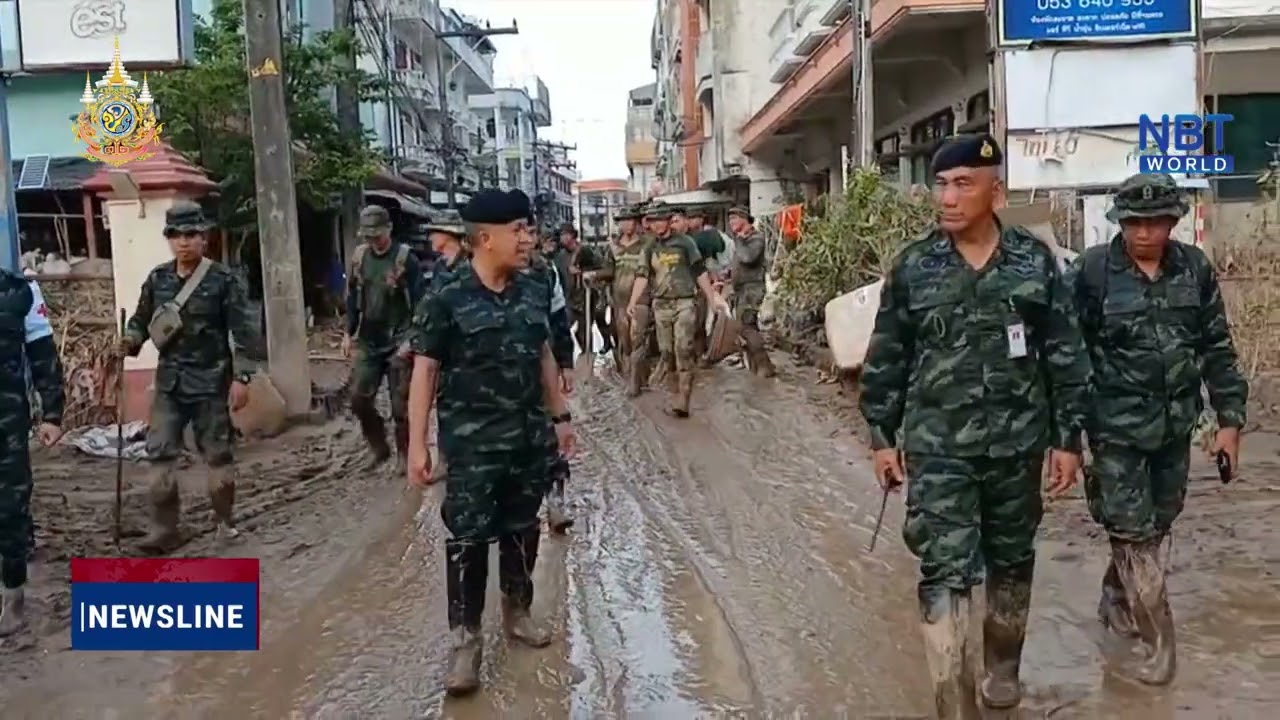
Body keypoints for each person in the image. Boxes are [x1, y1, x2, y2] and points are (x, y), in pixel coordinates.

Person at [858, 134, 1090, 717]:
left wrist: (1068, 440)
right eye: (941, 184)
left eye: (963, 184)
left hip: (1017, 446)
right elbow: (887, 357)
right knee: (944, 567)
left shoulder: (1033, 262)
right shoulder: (915, 266)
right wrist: (882, 437)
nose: (948, 197)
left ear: (996, 191)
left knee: (1012, 559)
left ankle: (1002, 670)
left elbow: (1063, 353)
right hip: (938, 450)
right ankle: (951, 699)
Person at [1075, 173, 1248, 686]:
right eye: (1135, 223)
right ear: (1120, 223)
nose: (1146, 233)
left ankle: (1116, 597)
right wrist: (1064, 434)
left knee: (1159, 520)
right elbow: (1067, 353)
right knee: (1132, 532)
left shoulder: (1193, 269)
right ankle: (1159, 645)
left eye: (1156, 222)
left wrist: (1229, 422)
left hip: (1174, 426)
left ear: (1174, 221)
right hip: (1115, 430)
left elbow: (1216, 346)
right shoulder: (1093, 273)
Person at [405, 188, 576, 696]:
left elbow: (543, 351)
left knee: (523, 529)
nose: (528, 238)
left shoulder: (535, 286)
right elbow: (425, 370)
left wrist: (560, 416)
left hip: (527, 438)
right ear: (484, 238)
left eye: (528, 228)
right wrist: (419, 443)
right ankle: (466, 641)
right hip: (472, 445)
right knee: (468, 540)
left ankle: (517, 612)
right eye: (518, 230)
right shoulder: (445, 296)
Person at [120, 201, 264, 553]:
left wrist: (242, 379)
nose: (183, 242)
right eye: (175, 235)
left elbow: (245, 334)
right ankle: (164, 530)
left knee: (217, 457)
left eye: (190, 235)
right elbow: (140, 320)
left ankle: (224, 524)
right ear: (168, 239)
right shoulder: (158, 278)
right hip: (170, 382)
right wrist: (129, 341)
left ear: (204, 237)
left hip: (212, 384)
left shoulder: (224, 281)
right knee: (159, 456)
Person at [0, 273, 64, 635]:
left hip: (5, 423)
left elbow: (43, 355)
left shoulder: (20, 291)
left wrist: (52, 413)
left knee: (10, 510)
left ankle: (13, 600)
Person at [626, 202, 729, 417]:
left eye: (661, 220)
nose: (657, 225)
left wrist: (711, 299)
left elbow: (700, 272)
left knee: (683, 349)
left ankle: (683, 398)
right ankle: (672, 394)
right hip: (661, 304)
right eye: (653, 221)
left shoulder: (685, 243)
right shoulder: (650, 248)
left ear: (669, 220)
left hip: (684, 302)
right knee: (666, 352)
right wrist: (633, 302)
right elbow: (642, 275)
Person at [343, 205, 423, 469]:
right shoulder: (359, 258)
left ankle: (404, 454)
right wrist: (347, 333)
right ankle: (379, 446)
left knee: (400, 405)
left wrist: (411, 339)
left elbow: (421, 305)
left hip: (398, 338)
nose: (372, 241)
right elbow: (354, 298)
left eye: (376, 235)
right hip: (369, 337)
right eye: (367, 236)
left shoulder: (405, 259)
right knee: (358, 397)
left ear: (388, 229)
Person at [586, 204, 653, 395]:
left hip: (641, 298)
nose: (627, 225)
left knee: (638, 337)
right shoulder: (613, 247)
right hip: (619, 301)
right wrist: (594, 276)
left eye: (630, 220)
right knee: (625, 341)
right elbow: (609, 271)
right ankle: (635, 375)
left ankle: (635, 383)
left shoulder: (648, 244)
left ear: (637, 222)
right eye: (623, 221)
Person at [726, 206, 776, 377]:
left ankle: (764, 366)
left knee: (747, 327)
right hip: (741, 291)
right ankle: (758, 367)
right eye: (730, 219)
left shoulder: (755, 239)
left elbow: (748, 258)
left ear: (745, 219)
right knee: (747, 329)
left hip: (752, 290)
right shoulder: (742, 240)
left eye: (735, 218)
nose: (731, 222)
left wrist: (739, 241)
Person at [685, 206, 725, 364]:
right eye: (689, 218)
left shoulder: (705, 237)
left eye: (693, 218)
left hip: (701, 285)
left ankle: (701, 355)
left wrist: (715, 281)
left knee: (700, 322)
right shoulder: (685, 239)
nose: (690, 221)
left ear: (701, 219)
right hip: (688, 285)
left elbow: (710, 262)